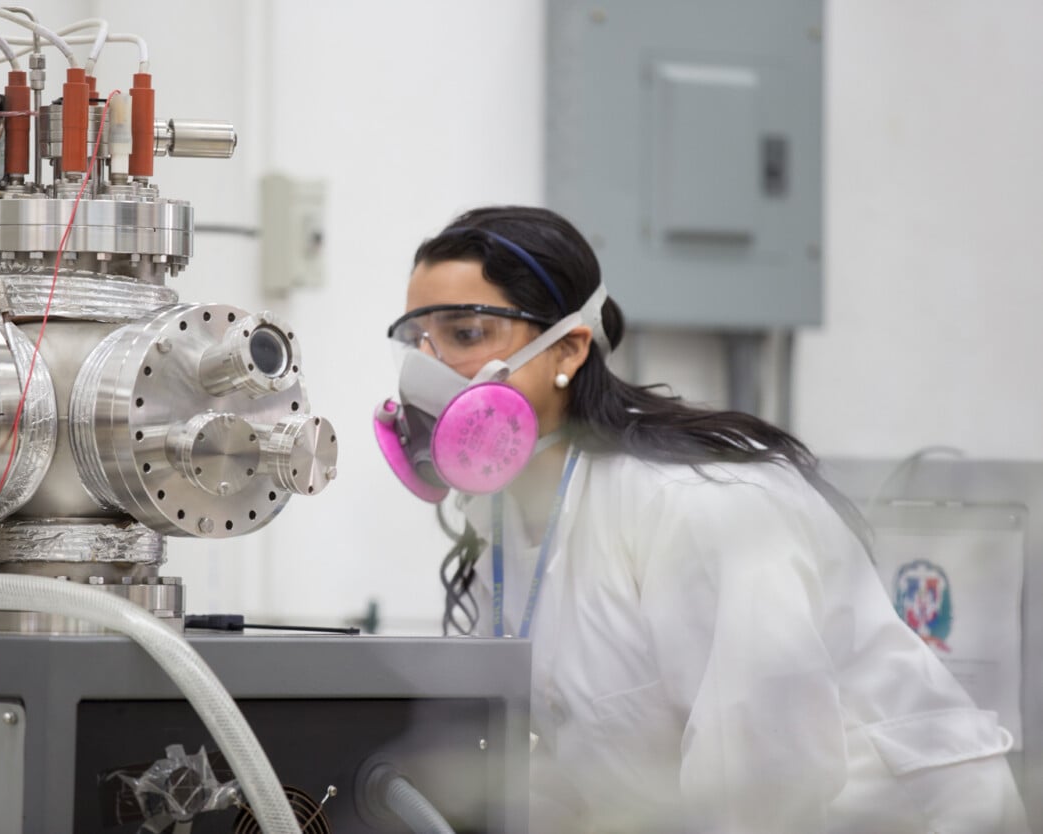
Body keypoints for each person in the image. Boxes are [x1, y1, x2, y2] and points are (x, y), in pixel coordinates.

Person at [373, 206, 1028, 833]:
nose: (427, 373)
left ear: (568, 350)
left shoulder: (699, 502)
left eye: (464, 334)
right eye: (416, 343)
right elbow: (566, 763)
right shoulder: (506, 529)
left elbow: (769, 777)